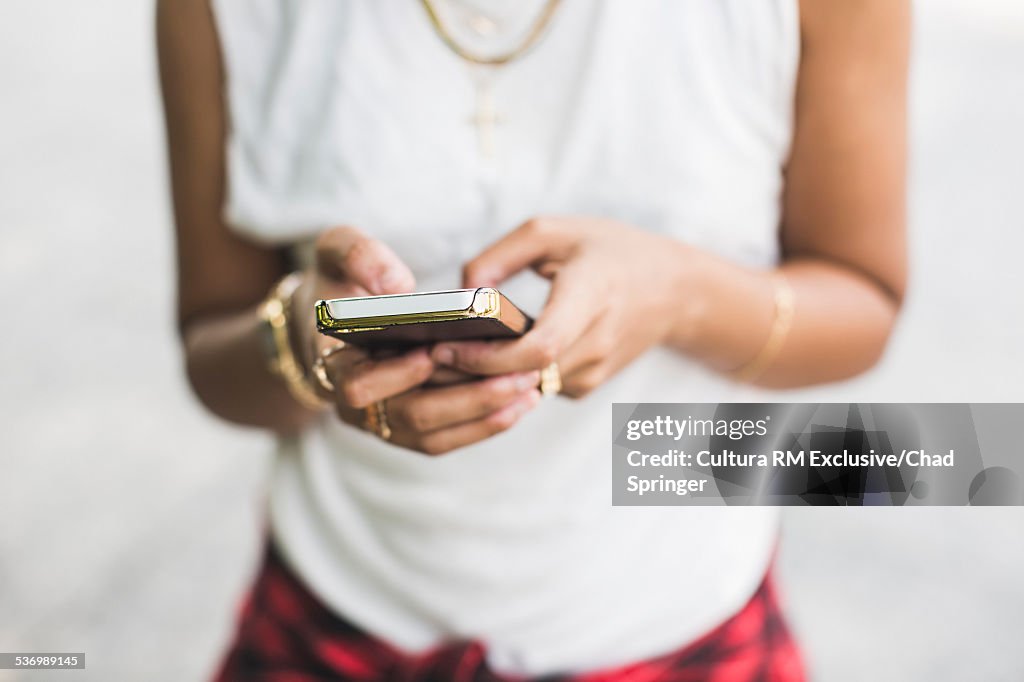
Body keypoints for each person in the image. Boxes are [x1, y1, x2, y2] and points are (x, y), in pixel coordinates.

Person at [157, 0, 908, 679]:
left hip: (685, 627)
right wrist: (303, 339)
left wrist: (680, 294)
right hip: (333, 622)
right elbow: (211, 343)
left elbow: (862, 300)